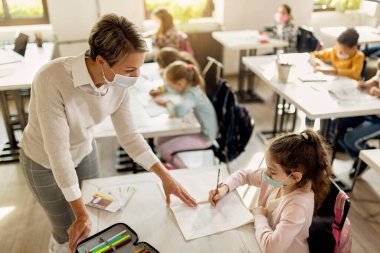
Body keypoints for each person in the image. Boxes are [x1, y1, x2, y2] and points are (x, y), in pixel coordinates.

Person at [19, 14, 196, 253]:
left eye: (139, 68)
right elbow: (58, 154)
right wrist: (79, 214)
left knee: (95, 220)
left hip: (84, 150)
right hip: (43, 163)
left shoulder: (118, 83)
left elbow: (130, 136)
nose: (136, 76)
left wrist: (166, 177)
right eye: (130, 69)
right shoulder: (51, 79)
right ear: (101, 61)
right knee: (67, 231)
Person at [209, 129, 332, 253]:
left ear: (295, 177)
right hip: (261, 239)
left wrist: (259, 216)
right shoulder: (280, 179)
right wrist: (225, 187)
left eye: (272, 171)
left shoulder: (298, 206)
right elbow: (244, 175)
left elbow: (271, 248)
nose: (266, 173)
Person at [154, 60, 218, 169]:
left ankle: (181, 170)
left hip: (205, 137)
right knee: (159, 140)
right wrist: (162, 89)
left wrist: (168, 103)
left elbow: (179, 111)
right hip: (198, 130)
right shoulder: (190, 87)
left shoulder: (191, 94)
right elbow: (172, 89)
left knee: (165, 149)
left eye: (173, 85)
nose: (172, 88)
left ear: (181, 82)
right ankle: (170, 162)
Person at [336, 59, 380, 177]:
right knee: (338, 128)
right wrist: (366, 84)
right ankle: (360, 158)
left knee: (351, 139)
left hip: (378, 120)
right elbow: (376, 80)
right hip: (371, 113)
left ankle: (366, 157)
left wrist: (378, 93)